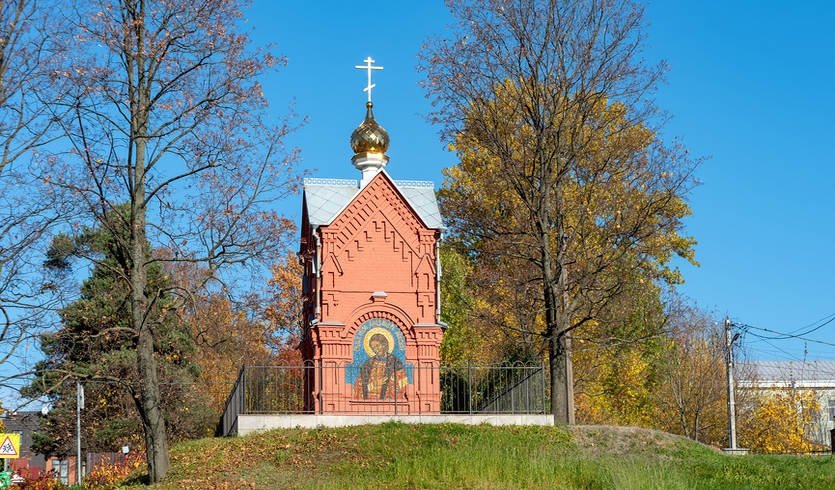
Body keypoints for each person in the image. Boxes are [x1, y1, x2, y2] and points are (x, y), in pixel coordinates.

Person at [353, 333, 408, 399]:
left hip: (389, 402)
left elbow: (403, 383)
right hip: (369, 403)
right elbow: (359, 387)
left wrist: (392, 382)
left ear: (384, 344)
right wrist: (376, 384)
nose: (376, 349)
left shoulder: (395, 362)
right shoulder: (367, 364)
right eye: (373, 348)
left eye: (377, 346)